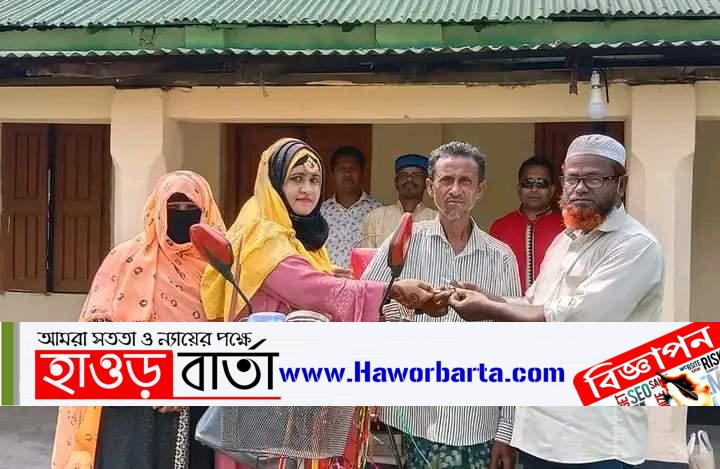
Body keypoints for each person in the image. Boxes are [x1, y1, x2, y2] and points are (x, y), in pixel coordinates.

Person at [200, 138, 435, 469]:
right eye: (296, 179)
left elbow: (311, 279)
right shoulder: (262, 235)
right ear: (274, 182)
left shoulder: (301, 238)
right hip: (266, 392)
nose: (307, 189)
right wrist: (391, 290)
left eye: (314, 180)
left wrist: (333, 274)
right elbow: (310, 289)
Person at [448, 134, 664, 468]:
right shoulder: (566, 240)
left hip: (594, 438)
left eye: (594, 179)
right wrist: (485, 296)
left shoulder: (635, 245)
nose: (580, 188)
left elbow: (576, 319)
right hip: (541, 432)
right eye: (572, 178)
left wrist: (488, 309)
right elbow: (533, 302)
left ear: (620, 184)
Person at [51, 171, 226, 469]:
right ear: (158, 210)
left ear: (206, 211)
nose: (182, 215)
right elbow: (96, 327)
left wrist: (187, 384)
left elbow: (230, 335)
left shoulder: (218, 264)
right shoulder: (125, 258)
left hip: (196, 401)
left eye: (190, 208)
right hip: (130, 402)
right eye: (173, 207)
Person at [362, 141, 520, 469]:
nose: (455, 190)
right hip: (414, 417)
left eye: (465, 181)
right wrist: (400, 301)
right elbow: (362, 302)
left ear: (480, 190)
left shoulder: (501, 257)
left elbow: (512, 347)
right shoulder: (405, 241)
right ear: (431, 187)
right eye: (446, 180)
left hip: (477, 420)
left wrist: (506, 432)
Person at [489, 156, 564, 293]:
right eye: (528, 183)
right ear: (519, 188)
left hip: (552, 304)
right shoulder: (500, 227)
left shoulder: (565, 227)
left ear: (552, 190)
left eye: (541, 183)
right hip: (507, 303)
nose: (534, 189)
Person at [320, 146, 382, 267]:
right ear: (332, 174)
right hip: (327, 278)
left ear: (362, 173)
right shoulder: (320, 213)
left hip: (364, 278)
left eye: (353, 169)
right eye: (341, 169)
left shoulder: (378, 211)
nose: (347, 173)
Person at [362, 153, 437, 248]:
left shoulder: (436, 219)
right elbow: (367, 255)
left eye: (416, 175)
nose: (409, 179)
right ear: (396, 182)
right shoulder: (376, 218)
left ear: (427, 184)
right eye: (404, 175)